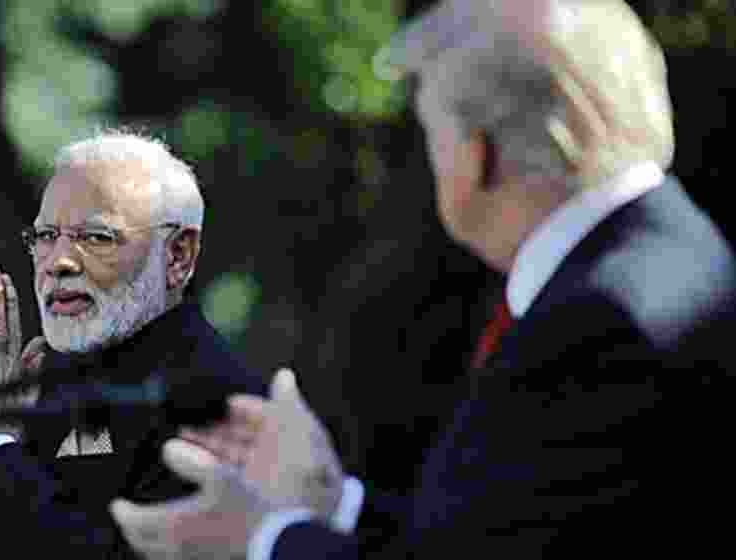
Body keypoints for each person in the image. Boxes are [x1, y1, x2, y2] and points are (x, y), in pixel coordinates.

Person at [109, 1, 736, 558]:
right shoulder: (672, 256)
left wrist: (260, 539)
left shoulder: (600, 322)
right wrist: (330, 502)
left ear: (474, 156)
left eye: (431, 132)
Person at [0, 130, 265, 559]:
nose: (58, 262)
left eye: (96, 237)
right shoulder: (39, 385)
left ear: (178, 256)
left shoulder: (218, 404)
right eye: (45, 236)